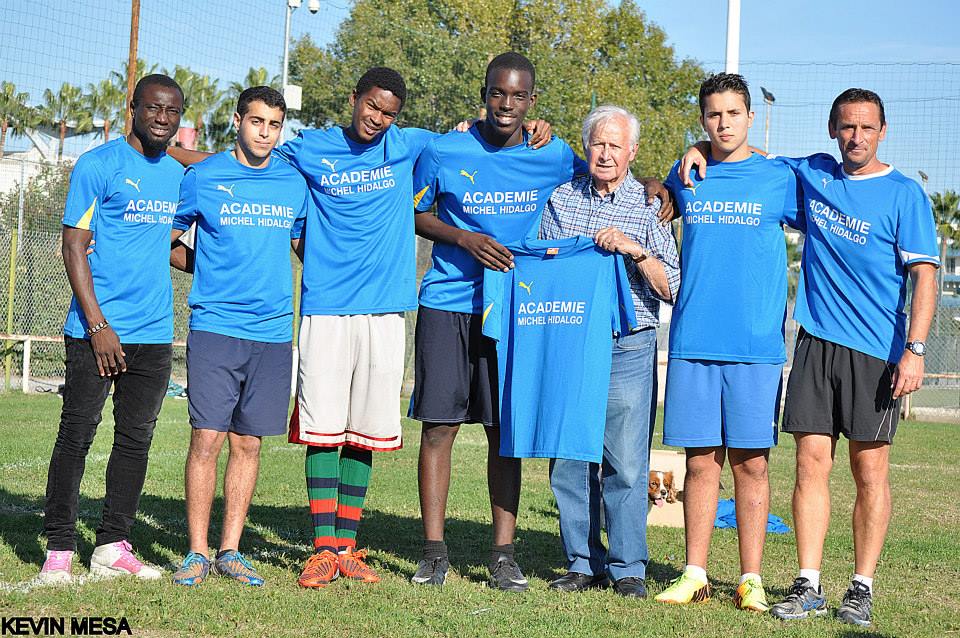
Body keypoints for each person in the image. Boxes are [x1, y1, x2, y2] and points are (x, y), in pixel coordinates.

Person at [168, 67, 554, 589]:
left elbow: (480, 144)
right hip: (325, 307)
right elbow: (239, 160)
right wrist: (165, 150)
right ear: (354, 99)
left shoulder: (415, 145)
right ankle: (322, 547)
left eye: (389, 113)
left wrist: (537, 127)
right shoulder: (310, 147)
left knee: (364, 434)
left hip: (386, 309)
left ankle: (347, 546)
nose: (377, 119)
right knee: (323, 430)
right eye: (371, 106)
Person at [679, 88, 940, 628]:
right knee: (809, 464)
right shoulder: (809, 174)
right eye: (847, 127)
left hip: (878, 352)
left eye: (867, 128)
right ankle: (808, 582)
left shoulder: (904, 194)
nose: (856, 137)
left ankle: (861, 587)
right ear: (831, 128)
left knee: (870, 471)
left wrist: (914, 351)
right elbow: (742, 155)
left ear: (883, 131)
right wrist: (695, 148)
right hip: (816, 342)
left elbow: (925, 276)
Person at [408, 51, 593, 591]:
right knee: (439, 425)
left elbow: (608, 177)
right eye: (497, 93)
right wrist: (464, 238)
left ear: (532, 101)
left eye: (518, 96)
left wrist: (668, 186)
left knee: (503, 432)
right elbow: (417, 213)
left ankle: (503, 555)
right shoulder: (446, 149)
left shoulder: (555, 154)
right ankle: (434, 552)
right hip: (449, 302)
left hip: (517, 309)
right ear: (484, 93)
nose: (506, 105)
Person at [654, 73, 803, 612]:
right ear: (703, 119)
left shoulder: (779, 178)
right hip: (693, 339)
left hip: (756, 347)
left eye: (732, 114)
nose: (722, 124)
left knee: (753, 464)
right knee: (699, 462)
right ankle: (695, 572)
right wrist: (690, 155)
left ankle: (751, 577)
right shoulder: (687, 173)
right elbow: (657, 191)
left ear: (750, 118)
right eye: (712, 115)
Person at [39, 74, 184, 584]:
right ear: (134, 108)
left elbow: (164, 245)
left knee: (135, 440)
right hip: (94, 331)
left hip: (154, 332)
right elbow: (74, 245)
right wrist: (98, 325)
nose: (162, 118)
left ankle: (111, 546)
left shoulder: (176, 176)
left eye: (172, 112)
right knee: (76, 434)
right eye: (153, 109)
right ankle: (58, 548)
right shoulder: (96, 165)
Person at [168, 86, 309, 587]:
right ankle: (197, 552)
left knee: (248, 443)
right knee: (207, 437)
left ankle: (230, 550)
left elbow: (302, 247)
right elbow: (168, 240)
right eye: (256, 122)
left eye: (274, 125)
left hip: (273, 333)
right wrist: (208, 272)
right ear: (237, 121)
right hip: (215, 328)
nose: (265, 133)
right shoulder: (203, 178)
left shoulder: (294, 184)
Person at [539, 105, 679, 598]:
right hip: (572, 343)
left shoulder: (647, 208)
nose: (605, 153)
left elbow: (671, 286)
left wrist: (634, 250)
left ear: (633, 152)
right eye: (598, 143)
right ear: (586, 147)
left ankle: (627, 568)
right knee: (571, 459)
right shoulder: (559, 201)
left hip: (629, 346)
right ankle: (581, 562)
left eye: (616, 146)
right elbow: (544, 268)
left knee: (626, 462)